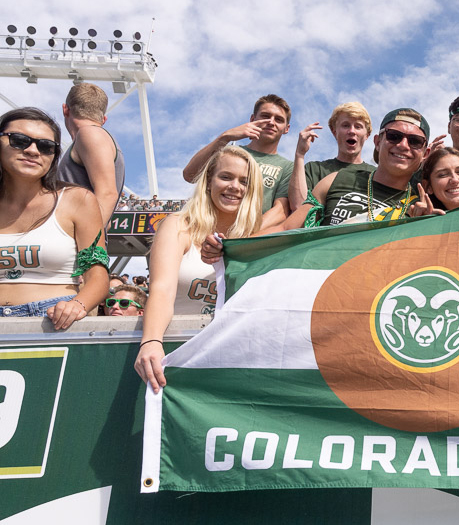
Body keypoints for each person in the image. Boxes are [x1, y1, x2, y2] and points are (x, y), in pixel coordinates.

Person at [134, 146, 263, 393]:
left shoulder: (255, 236)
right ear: (208, 182)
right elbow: (161, 289)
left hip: (230, 359)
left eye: (244, 181)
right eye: (226, 177)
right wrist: (151, 341)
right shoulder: (178, 226)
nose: (235, 186)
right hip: (173, 350)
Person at [0, 107, 109, 327]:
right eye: (19, 140)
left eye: (46, 146)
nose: (32, 150)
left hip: (53, 321)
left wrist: (78, 305)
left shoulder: (78, 200)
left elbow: (97, 275)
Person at [260, 108, 428, 232]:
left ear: (425, 154)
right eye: (394, 136)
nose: (403, 145)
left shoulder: (420, 207)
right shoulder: (335, 179)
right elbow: (286, 228)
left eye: (415, 141)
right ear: (377, 142)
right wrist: (236, 248)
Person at [181, 94, 292, 229]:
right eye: (265, 116)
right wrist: (225, 137)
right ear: (252, 119)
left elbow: (280, 211)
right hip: (208, 230)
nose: (271, 122)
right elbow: (190, 175)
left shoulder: (288, 167)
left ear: (286, 128)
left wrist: (243, 236)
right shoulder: (229, 154)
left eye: (279, 119)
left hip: (247, 240)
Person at [284, 102, 376, 212]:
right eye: (345, 125)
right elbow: (299, 208)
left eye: (358, 126)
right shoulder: (314, 170)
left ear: (367, 134)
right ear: (334, 131)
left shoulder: (376, 175)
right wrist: (299, 155)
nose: (352, 131)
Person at [57, 83, 126, 227]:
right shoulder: (93, 137)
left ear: (65, 109)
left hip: (76, 244)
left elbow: (107, 194)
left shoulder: (90, 134)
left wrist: (87, 243)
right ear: (103, 119)